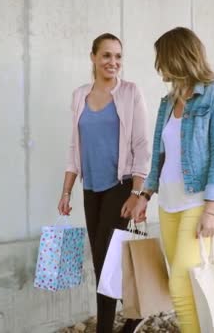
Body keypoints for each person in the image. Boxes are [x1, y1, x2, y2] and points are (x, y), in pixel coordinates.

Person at [132, 27, 214, 333]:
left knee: (179, 284)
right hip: (169, 204)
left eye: (161, 59)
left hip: (199, 202)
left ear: (178, 57)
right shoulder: (168, 101)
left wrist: (212, 207)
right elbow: (159, 155)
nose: (158, 67)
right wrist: (145, 195)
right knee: (186, 287)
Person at [57, 33, 150, 333]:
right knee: (102, 259)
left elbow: (141, 146)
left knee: (105, 259)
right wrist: (66, 191)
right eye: (107, 55)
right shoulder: (79, 95)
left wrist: (138, 193)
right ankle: (135, 313)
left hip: (120, 187)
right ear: (93, 57)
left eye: (118, 56)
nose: (113, 62)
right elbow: (75, 146)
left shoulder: (130, 93)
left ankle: (106, 328)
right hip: (90, 189)